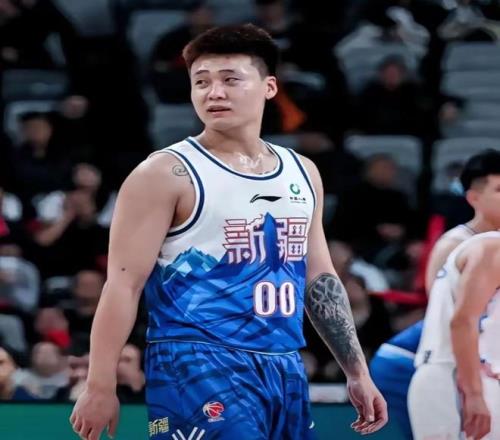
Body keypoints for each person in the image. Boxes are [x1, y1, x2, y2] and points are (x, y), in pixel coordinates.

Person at [69, 23, 387, 440]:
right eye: (201, 82)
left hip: (283, 362)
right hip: (196, 362)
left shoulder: (303, 171)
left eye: (230, 80)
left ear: (269, 87)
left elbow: (319, 277)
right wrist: (99, 383)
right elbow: (123, 285)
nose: (213, 93)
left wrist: (357, 371)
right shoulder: (164, 172)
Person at [369, 149, 500, 438]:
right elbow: (446, 314)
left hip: (462, 363)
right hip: (413, 358)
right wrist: (474, 387)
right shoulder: (459, 243)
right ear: (474, 198)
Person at [408, 231, 500, 439]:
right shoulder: (492, 248)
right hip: (456, 375)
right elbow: (463, 322)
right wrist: (474, 393)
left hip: (472, 376)